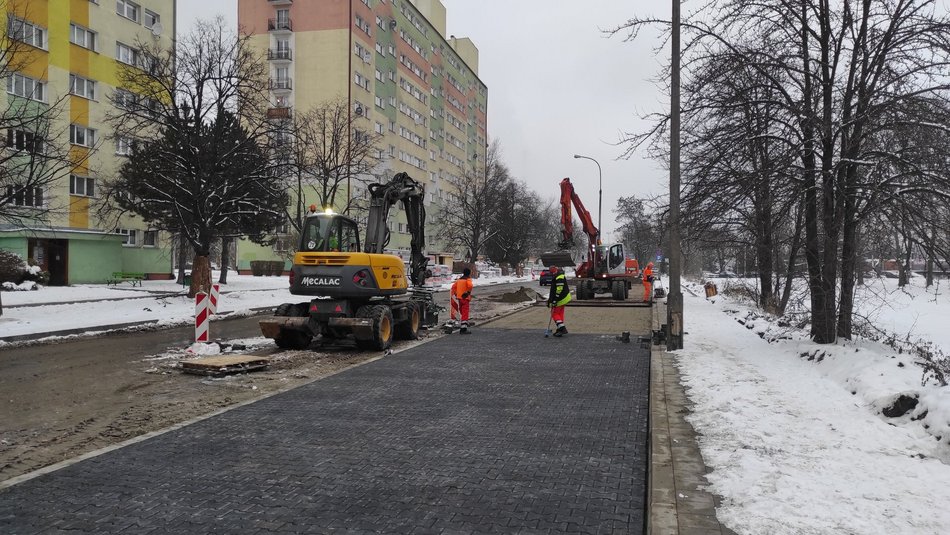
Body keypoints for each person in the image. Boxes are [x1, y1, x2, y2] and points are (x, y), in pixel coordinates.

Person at [546, 265, 572, 336]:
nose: (552, 274)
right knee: (560, 314)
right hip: (563, 298)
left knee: (554, 313)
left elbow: (559, 290)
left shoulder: (559, 277)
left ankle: (562, 329)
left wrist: (555, 300)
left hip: (561, 298)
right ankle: (559, 329)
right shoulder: (559, 275)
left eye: (552, 272)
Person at [450, 267, 474, 334]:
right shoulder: (468, 279)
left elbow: (453, 287)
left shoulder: (459, 280)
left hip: (460, 298)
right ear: (469, 273)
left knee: (462, 311)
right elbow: (470, 285)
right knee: (465, 312)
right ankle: (463, 328)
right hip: (465, 298)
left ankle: (464, 323)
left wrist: (456, 293)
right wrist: (468, 292)